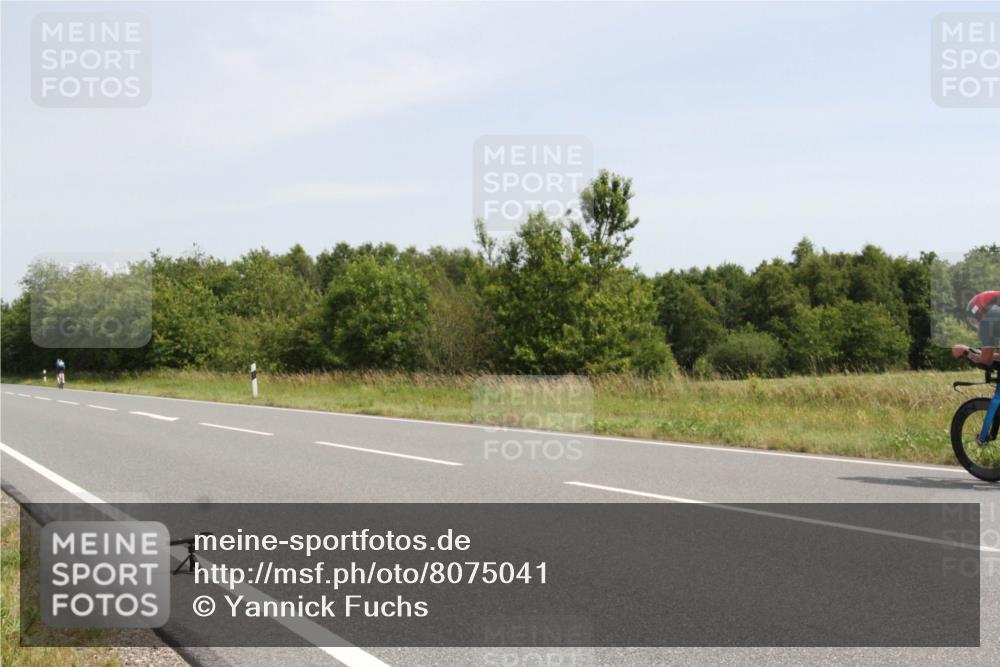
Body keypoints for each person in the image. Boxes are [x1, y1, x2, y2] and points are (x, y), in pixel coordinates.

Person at [952, 290, 1000, 368]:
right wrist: (979, 353)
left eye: (974, 321)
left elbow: (985, 362)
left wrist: (971, 354)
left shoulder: (987, 322)